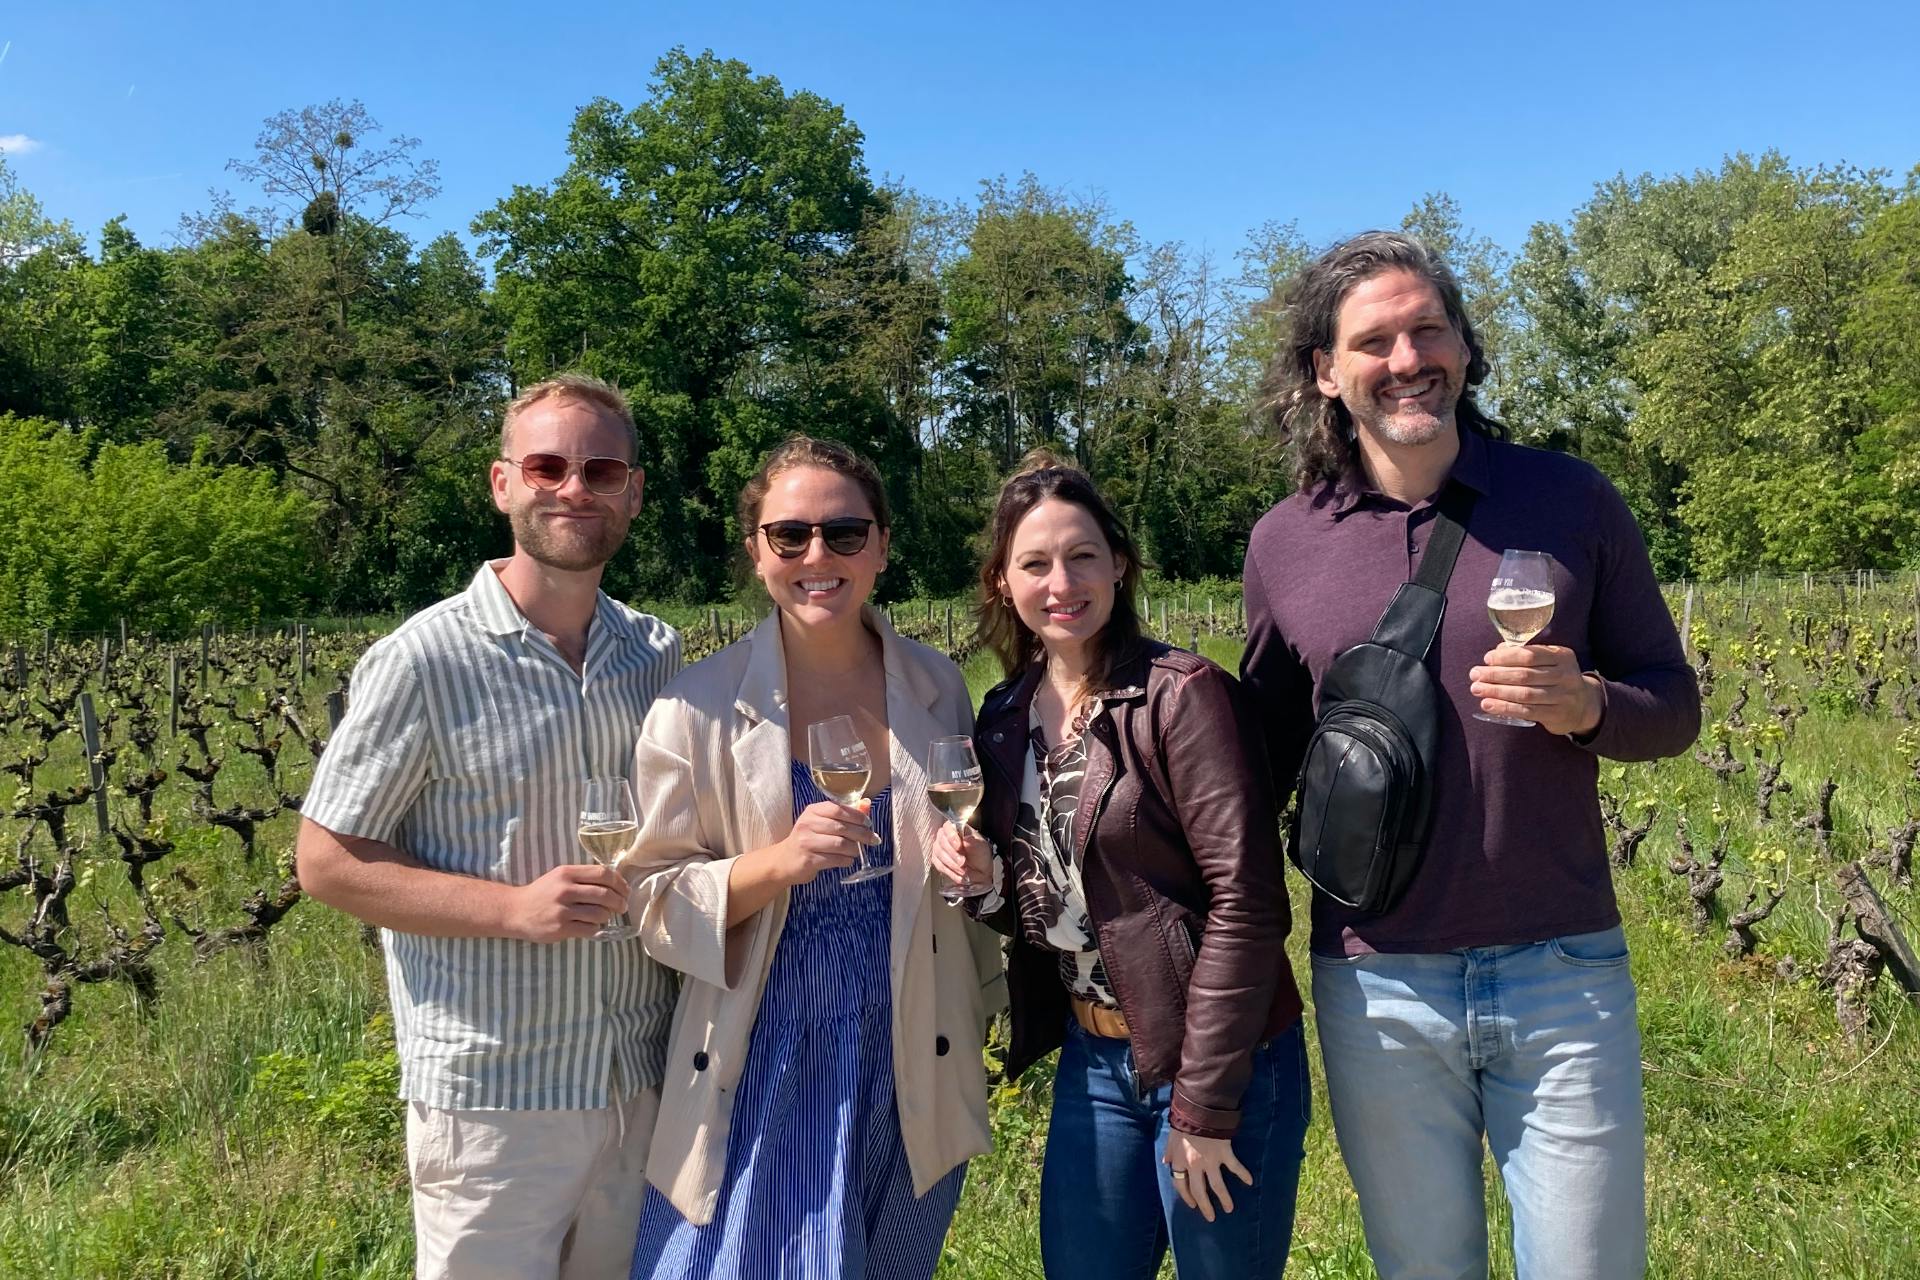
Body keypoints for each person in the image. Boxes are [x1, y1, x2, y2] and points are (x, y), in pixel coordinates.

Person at [1241, 231, 1701, 1280]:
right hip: (1377, 981)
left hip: (1564, 967)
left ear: (1464, 344)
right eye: (1375, 340)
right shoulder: (1284, 541)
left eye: (1428, 328)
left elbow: (1674, 705)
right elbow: (1264, 758)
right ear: (1324, 370)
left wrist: (1588, 705)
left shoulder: (1569, 498)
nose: (1408, 358)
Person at [296, 374, 681, 1279]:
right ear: (503, 484)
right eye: (546, 466)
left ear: (631, 491)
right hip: (494, 1100)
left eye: (601, 469)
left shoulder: (655, 655)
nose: (573, 489)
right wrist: (514, 910)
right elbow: (326, 861)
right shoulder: (421, 660)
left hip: (639, 1081)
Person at [625, 436, 1005, 1279]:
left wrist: (979, 871)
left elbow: (974, 850)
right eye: (788, 534)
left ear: (880, 546)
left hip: (908, 1046)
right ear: (756, 552)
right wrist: (775, 865)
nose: (816, 556)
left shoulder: (937, 684)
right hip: (763, 1052)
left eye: (843, 532)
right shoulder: (698, 707)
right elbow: (647, 898)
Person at [932, 455, 1309, 1280]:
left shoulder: (1182, 696)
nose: (1060, 582)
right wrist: (988, 881)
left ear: (1120, 566)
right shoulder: (1003, 715)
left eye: (1082, 556)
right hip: (1094, 1061)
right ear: (1003, 582)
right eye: (1034, 563)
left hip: (1218, 1063)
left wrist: (1205, 1105)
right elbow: (1053, 904)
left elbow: (1247, 904)